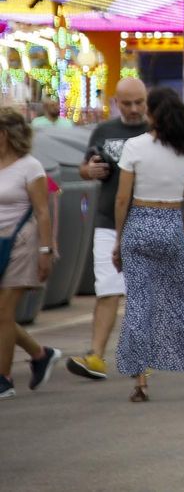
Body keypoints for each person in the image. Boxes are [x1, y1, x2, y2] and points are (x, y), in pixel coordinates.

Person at [113, 87, 184, 401]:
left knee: (138, 305)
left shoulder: (134, 146)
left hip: (138, 222)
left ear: (151, 113)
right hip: (171, 222)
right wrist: (180, 231)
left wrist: (119, 239)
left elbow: (123, 198)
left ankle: (140, 383)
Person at [66, 76, 148, 382]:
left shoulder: (157, 132)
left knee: (141, 292)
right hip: (107, 220)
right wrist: (89, 170)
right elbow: (84, 166)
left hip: (145, 218)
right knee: (107, 289)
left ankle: (141, 357)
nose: (134, 109)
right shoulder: (103, 131)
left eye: (139, 102)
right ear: (116, 102)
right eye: (127, 103)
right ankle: (96, 356)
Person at [0, 108, 61, 399]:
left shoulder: (30, 167)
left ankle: (4, 378)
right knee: (0, 316)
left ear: (4, 135)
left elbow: (42, 211)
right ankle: (40, 354)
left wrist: (46, 250)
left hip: (21, 244)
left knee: (3, 312)